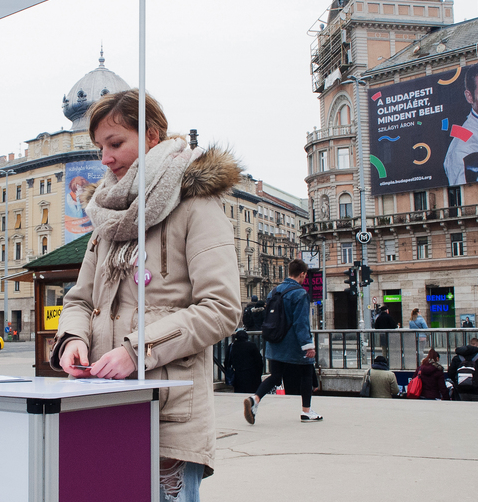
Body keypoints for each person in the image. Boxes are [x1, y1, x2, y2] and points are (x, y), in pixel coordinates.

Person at [51, 89, 242, 501]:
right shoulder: (106, 216)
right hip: (102, 406)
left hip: (167, 414)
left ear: (152, 136)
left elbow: (222, 309)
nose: (105, 158)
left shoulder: (196, 204)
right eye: (100, 147)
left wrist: (139, 350)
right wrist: (73, 340)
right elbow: (80, 299)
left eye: (116, 143)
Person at [243, 258, 322, 425]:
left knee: (276, 376)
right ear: (302, 274)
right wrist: (308, 345)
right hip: (293, 344)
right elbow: (301, 323)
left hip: (274, 341)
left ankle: (255, 399)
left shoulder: (274, 291)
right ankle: (306, 411)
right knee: (307, 373)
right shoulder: (300, 294)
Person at [224, 329, 263, 394]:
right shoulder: (252, 346)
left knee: (239, 395)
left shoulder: (232, 346)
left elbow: (227, 362)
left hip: (238, 376)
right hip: (253, 376)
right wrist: (259, 374)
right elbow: (259, 361)